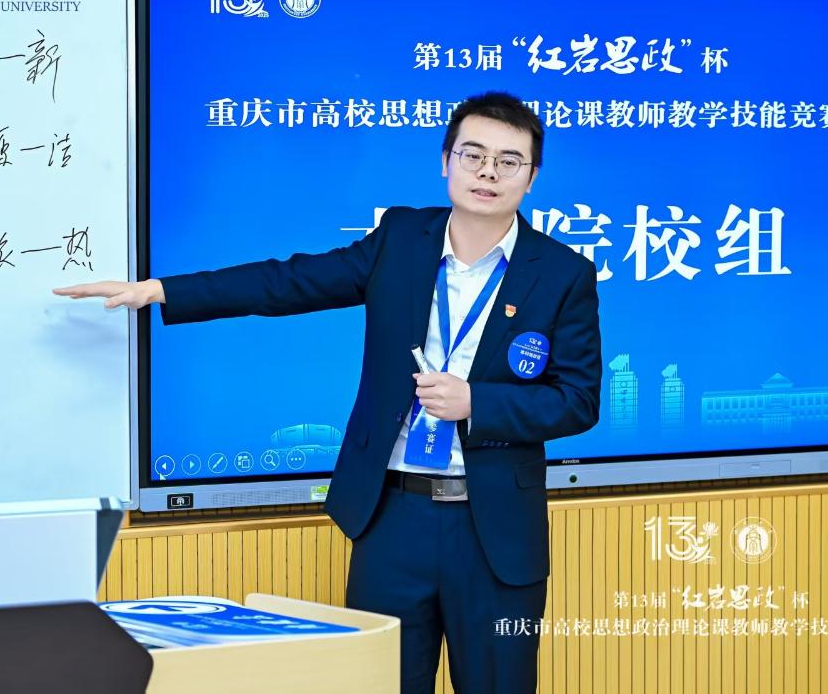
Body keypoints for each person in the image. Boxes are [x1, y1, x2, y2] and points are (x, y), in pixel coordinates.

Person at [55, 91, 601, 693]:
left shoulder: (563, 272)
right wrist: (162, 290)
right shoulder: (401, 238)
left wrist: (477, 403)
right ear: (446, 161)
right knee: (382, 683)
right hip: (393, 517)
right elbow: (289, 282)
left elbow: (577, 400)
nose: (488, 173)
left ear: (532, 176)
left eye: (508, 160)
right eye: (473, 155)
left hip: (494, 529)